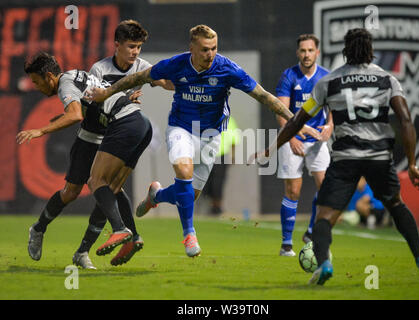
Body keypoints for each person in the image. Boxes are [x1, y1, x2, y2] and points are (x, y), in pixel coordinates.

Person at [87, 24, 320, 258]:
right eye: (205, 49)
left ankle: (156, 196)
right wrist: (105, 94)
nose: (211, 54)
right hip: (181, 128)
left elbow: (264, 96)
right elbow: (138, 77)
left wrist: (298, 122)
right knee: (183, 170)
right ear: (192, 49)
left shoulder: (227, 69)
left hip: (211, 136)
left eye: (214, 48)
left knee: (189, 194)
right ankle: (189, 234)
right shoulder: (176, 64)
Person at [251, 28, 419, 285]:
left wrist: (270, 148)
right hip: (379, 157)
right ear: (370, 51)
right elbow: (406, 121)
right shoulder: (387, 79)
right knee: (396, 206)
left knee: (324, 217)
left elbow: (296, 121)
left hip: (346, 158)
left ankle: (325, 265)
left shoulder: (329, 82)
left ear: (345, 51)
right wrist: (413, 163)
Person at [21, 21, 172, 269]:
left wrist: (40, 130)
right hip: (95, 135)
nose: (135, 52)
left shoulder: (68, 82)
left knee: (106, 187)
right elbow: (88, 104)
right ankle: (38, 229)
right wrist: (122, 98)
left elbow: (76, 113)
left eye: (37, 83)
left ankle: (90, 248)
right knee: (74, 192)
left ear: (49, 76)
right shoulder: (98, 69)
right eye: (131, 46)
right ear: (117, 45)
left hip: (119, 128)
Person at [275, 34, 332, 256]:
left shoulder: (326, 77)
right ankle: (286, 245)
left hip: (317, 140)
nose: (306, 54)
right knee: (293, 191)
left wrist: (330, 126)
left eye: (310, 50)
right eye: (302, 50)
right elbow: (281, 111)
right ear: (297, 53)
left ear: (317, 52)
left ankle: (310, 232)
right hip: (294, 140)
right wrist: (291, 137)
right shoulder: (289, 76)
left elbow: (333, 109)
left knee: (326, 189)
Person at [202, 115, 240, 215]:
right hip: (207, 155)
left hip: (221, 155)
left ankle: (217, 206)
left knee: (218, 183)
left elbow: (233, 139)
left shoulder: (229, 120)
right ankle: (212, 205)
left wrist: (233, 156)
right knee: (207, 183)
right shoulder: (207, 116)